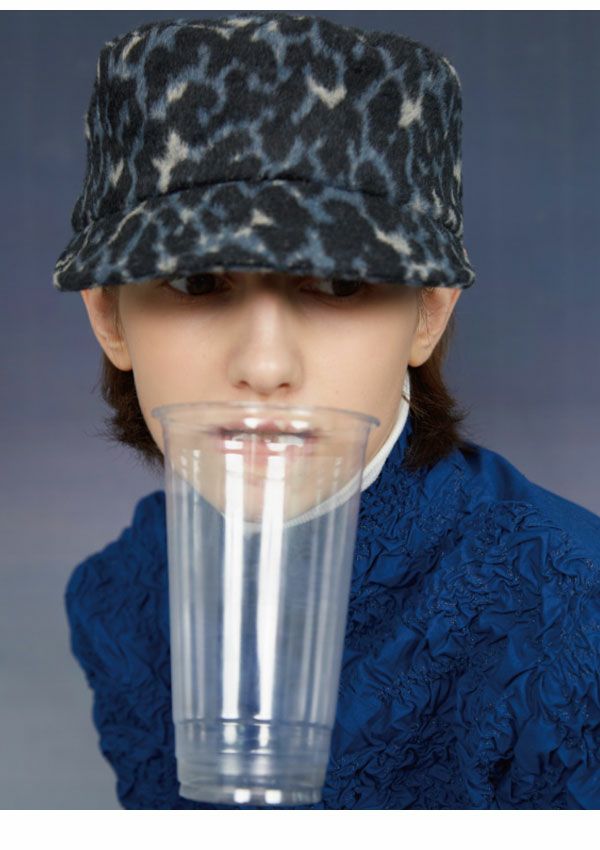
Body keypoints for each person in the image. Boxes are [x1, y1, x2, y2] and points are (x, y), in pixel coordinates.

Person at [54, 12, 600, 809]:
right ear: (108, 316)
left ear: (429, 313)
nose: (265, 366)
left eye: (340, 284)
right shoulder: (117, 597)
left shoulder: (573, 610)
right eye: (198, 282)